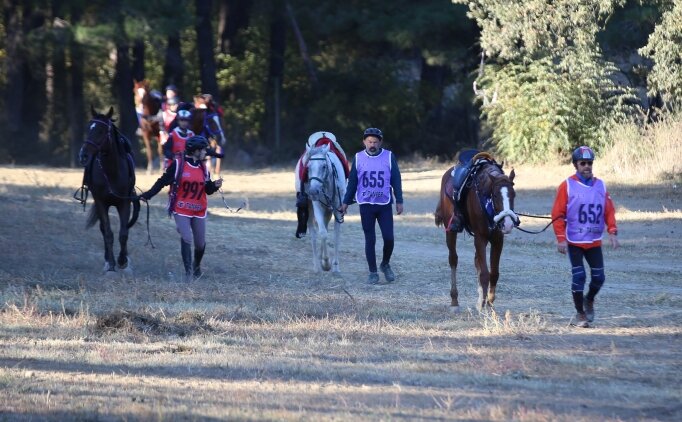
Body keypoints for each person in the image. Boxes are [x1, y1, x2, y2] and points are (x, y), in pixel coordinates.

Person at [551, 146, 620, 328]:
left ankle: (589, 300)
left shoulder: (601, 185)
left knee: (599, 278)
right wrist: (560, 238)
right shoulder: (567, 185)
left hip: (594, 241)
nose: (587, 166)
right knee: (579, 276)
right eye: (583, 163)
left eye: (589, 163)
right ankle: (580, 314)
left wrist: (612, 231)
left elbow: (609, 210)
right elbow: (557, 214)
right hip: (574, 240)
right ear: (576, 165)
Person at [139, 136, 223, 282]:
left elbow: (207, 190)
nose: (205, 152)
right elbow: (162, 181)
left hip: (199, 209)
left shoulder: (203, 167)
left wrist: (214, 186)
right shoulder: (178, 165)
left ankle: (196, 266)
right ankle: (189, 274)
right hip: (181, 208)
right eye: (203, 149)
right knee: (186, 237)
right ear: (195, 150)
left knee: (200, 243)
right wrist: (148, 195)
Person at [340, 127, 403, 284]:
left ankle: (385, 264)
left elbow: (396, 179)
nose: (372, 144)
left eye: (375, 142)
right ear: (364, 142)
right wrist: (346, 202)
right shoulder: (358, 157)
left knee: (389, 238)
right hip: (366, 205)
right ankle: (373, 272)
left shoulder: (388, 156)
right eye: (369, 142)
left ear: (380, 142)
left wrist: (399, 200)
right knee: (370, 239)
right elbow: (353, 182)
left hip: (384, 205)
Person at [294, 131, 350, 238]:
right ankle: (303, 195)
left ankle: (344, 191)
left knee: (342, 159)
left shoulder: (335, 148)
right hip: (316, 143)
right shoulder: (312, 147)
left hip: (327, 141)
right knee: (305, 163)